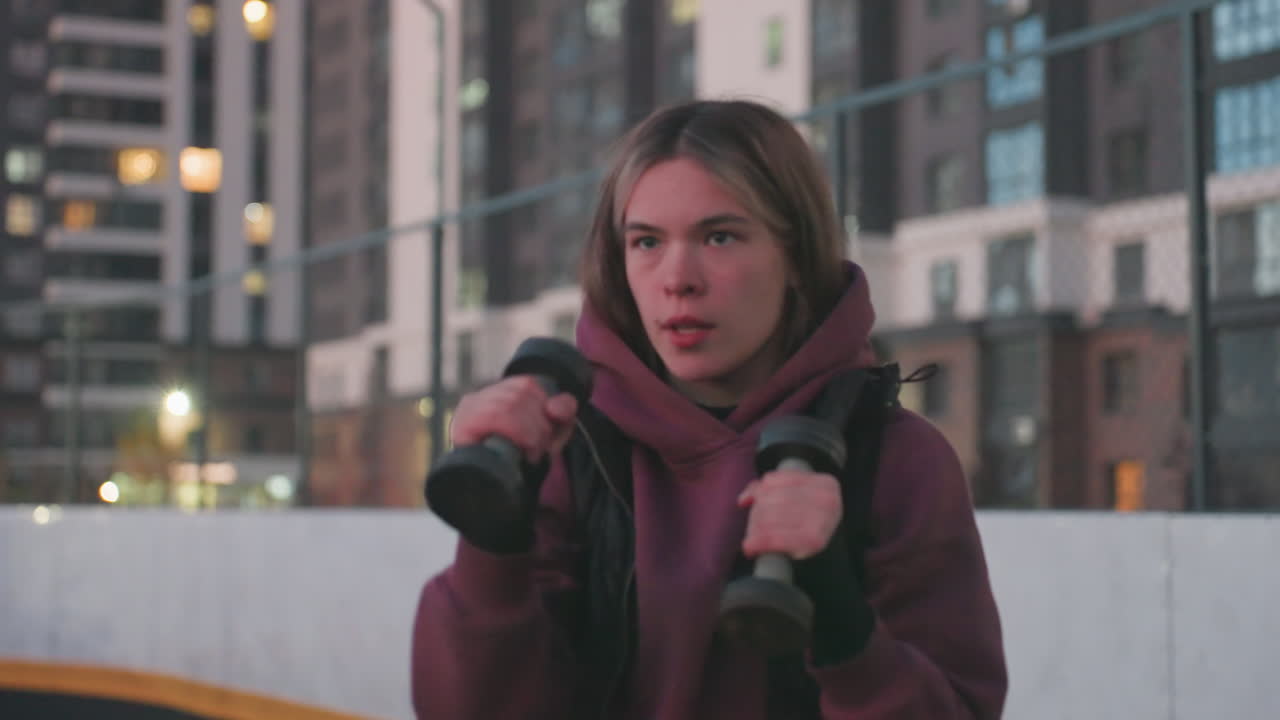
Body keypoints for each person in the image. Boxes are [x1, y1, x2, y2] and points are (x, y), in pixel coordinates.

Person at [410, 99, 1007, 719]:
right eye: (646, 241)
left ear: (797, 259)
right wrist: (492, 550)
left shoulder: (897, 459)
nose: (678, 278)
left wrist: (842, 625)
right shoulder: (569, 448)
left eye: (719, 236)